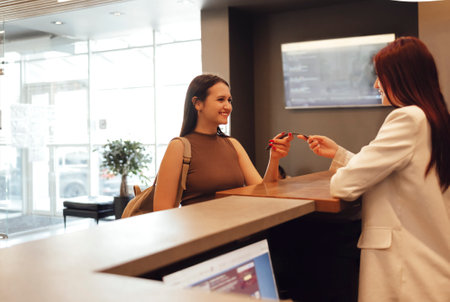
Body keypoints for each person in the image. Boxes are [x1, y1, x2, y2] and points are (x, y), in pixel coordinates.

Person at [299, 36, 450, 302]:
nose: (376, 84)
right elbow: (396, 171)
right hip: (426, 264)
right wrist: (340, 154)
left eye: (381, 76)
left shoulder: (406, 117)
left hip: (405, 268)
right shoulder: (432, 119)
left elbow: (344, 185)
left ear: (402, 77)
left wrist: (347, 165)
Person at [154, 74, 293, 211]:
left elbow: (263, 193)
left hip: (239, 228)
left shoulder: (233, 144)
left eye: (229, 100)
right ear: (197, 103)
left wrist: (274, 159)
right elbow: (162, 210)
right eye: (221, 99)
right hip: (200, 231)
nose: (228, 106)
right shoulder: (179, 146)